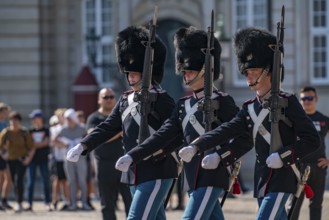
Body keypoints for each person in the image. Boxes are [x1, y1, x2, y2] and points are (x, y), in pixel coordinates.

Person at [177, 27, 321, 220]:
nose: (249, 77)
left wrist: (284, 156)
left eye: (253, 72)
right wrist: (197, 146)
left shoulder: (290, 102)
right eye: (247, 72)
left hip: (284, 177)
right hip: (263, 179)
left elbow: (312, 140)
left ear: (268, 71)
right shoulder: (249, 107)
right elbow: (225, 131)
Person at [115, 26, 253, 219]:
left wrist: (222, 157)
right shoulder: (183, 105)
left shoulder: (223, 102)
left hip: (213, 175)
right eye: (184, 71)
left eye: (189, 71)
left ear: (205, 70)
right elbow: (163, 135)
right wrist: (134, 155)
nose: (185, 75)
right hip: (191, 175)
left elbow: (245, 137)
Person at [67, 25, 179, 220]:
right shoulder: (126, 100)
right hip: (134, 171)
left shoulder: (163, 100)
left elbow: (173, 133)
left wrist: (152, 153)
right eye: (128, 74)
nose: (130, 78)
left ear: (147, 73)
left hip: (157, 169)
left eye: (134, 74)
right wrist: (84, 145)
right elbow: (108, 127)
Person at [86, 88, 132, 220]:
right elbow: (95, 137)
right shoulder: (94, 118)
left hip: (125, 164)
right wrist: (118, 131)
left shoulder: (122, 115)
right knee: (107, 203)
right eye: (105, 97)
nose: (109, 99)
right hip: (104, 164)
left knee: (130, 200)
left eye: (111, 97)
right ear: (99, 100)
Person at [287, 86, 329, 220]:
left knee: (316, 205)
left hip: (318, 167)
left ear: (316, 99)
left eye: (310, 98)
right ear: (300, 100)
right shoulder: (294, 120)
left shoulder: (324, 120)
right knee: (293, 205)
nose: (307, 101)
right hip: (298, 167)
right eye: (303, 98)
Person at [56, 108, 91, 211]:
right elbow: (54, 140)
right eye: (67, 118)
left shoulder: (82, 128)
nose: (68, 120)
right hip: (67, 158)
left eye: (70, 118)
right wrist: (65, 145)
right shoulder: (63, 129)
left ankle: (84, 203)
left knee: (82, 181)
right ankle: (73, 204)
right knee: (71, 181)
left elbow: (89, 140)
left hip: (81, 158)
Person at [0, 111, 35, 212]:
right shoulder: (6, 132)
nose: (14, 122)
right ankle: (15, 201)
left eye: (16, 120)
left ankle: (19, 202)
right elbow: (0, 146)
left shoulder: (24, 132)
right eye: (12, 120)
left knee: (19, 180)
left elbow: (32, 147)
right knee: (13, 181)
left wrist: (28, 159)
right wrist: (3, 155)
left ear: (19, 121)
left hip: (21, 160)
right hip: (10, 160)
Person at [26, 109, 52, 211]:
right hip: (32, 159)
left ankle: (47, 202)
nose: (33, 120)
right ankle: (29, 203)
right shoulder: (30, 130)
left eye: (34, 117)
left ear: (40, 118)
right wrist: (37, 145)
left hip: (43, 159)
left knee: (45, 180)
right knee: (30, 182)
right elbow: (28, 144)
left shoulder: (46, 130)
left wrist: (34, 145)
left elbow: (46, 142)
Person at [49, 108, 70, 210]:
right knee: (56, 180)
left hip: (67, 158)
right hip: (57, 158)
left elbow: (68, 143)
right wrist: (64, 145)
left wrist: (63, 144)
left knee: (66, 181)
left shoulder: (69, 128)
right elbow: (53, 142)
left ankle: (67, 201)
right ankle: (55, 200)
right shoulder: (54, 129)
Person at [0, 103, 13, 210]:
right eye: (5, 112)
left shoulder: (5, 124)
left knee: (8, 178)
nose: (6, 114)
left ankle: (4, 200)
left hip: (4, 154)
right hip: (1, 154)